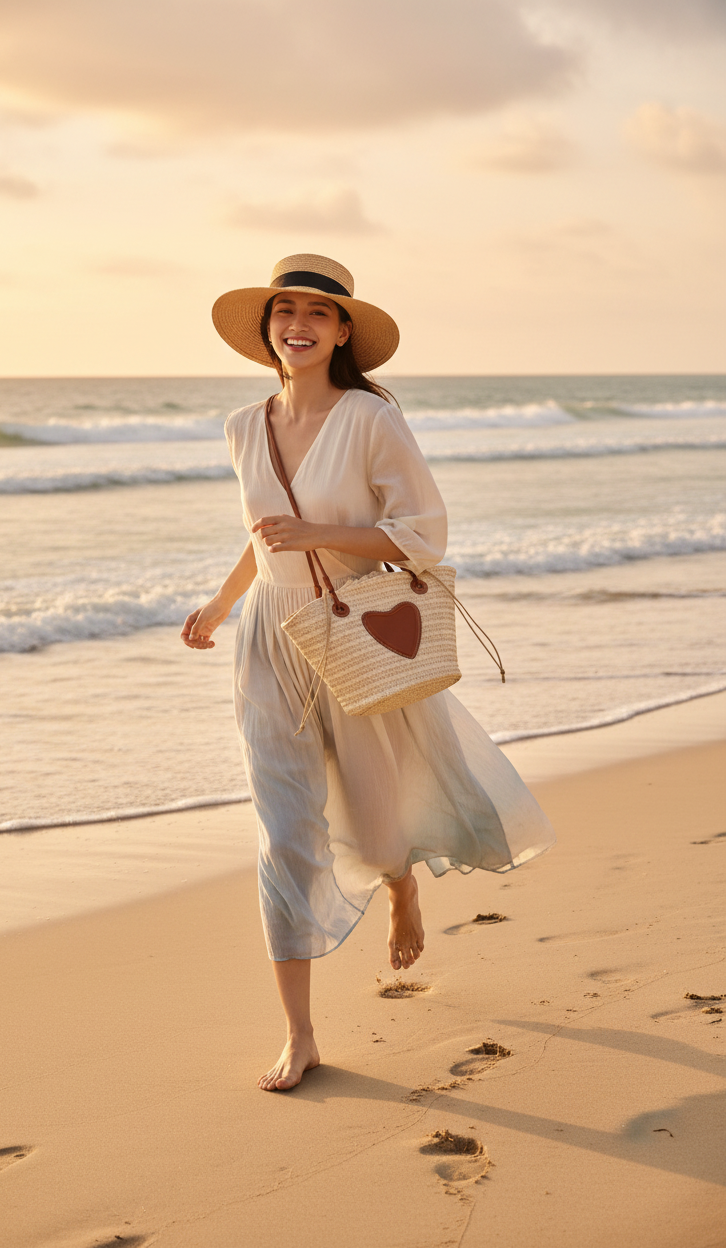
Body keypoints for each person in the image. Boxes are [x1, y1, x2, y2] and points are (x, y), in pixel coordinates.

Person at [182, 254, 555, 1091]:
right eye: (284, 311)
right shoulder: (244, 425)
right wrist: (216, 606)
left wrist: (319, 535)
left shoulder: (370, 420)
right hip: (266, 639)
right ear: (267, 327)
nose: (298, 325)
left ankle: (400, 886)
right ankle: (301, 1031)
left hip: (349, 630)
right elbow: (260, 534)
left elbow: (423, 534)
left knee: (375, 815)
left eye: (318, 312)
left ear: (343, 330)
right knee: (282, 829)